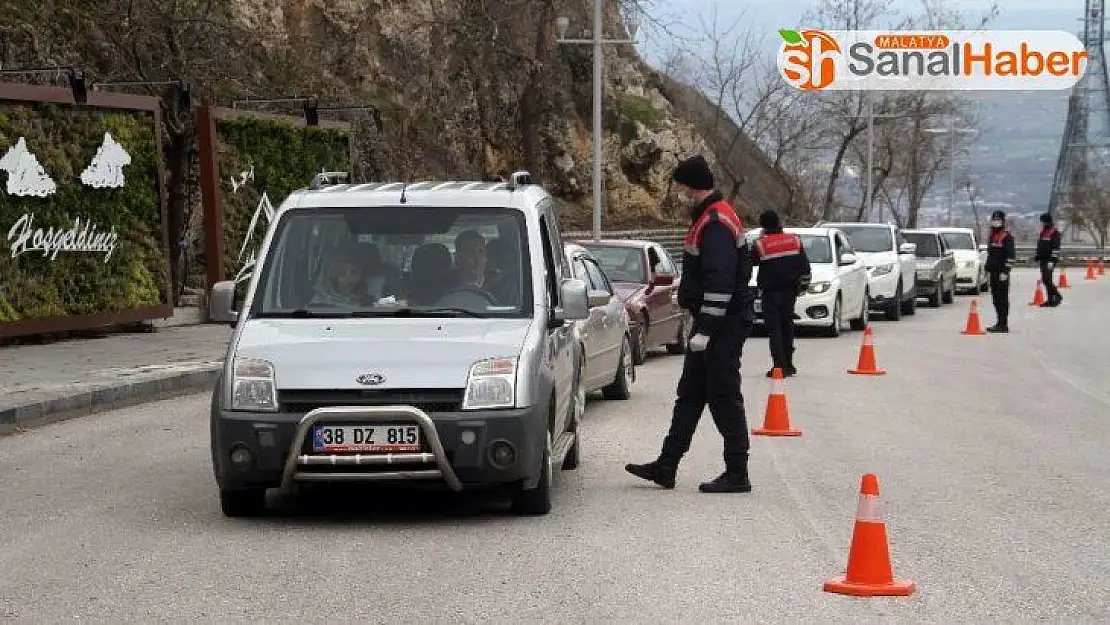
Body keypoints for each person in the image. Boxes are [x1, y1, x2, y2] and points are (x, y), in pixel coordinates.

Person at [625, 154, 755, 494]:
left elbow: (720, 280)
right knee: (691, 395)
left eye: (680, 187)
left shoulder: (714, 222)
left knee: (724, 395)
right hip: (712, 323)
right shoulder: (709, 217)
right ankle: (666, 466)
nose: (678, 193)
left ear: (690, 186)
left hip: (721, 324)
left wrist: (708, 329)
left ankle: (737, 473)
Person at [751, 210, 811, 377]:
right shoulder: (795, 240)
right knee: (787, 326)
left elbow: (752, 261)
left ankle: (779, 366)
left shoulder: (761, 244)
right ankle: (790, 364)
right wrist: (801, 288)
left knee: (774, 329)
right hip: (790, 292)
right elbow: (805, 268)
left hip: (770, 293)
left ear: (762, 225)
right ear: (779, 222)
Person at [985, 209, 1016, 333]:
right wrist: (987, 267)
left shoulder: (1006, 237)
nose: (995, 222)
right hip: (993, 272)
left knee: (1002, 299)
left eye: (998, 220)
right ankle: (999, 322)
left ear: (1003, 221)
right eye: (994, 220)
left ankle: (1003, 324)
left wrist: (1006, 271)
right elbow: (990, 254)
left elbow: (1010, 256)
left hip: (1002, 273)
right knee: (995, 299)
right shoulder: (992, 236)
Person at [1034, 212, 1062, 307]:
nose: (1042, 224)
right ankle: (1050, 300)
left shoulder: (1054, 233)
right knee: (1046, 279)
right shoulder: (1044, 232)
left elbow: (1056, 247)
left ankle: (1057, 296)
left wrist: (1052, 260)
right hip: (1043, 259)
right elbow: (1040, 245)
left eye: (1043, 222)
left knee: (1047, 279)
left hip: (1049, 260)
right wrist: (1038, 254)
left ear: (1047, 222)